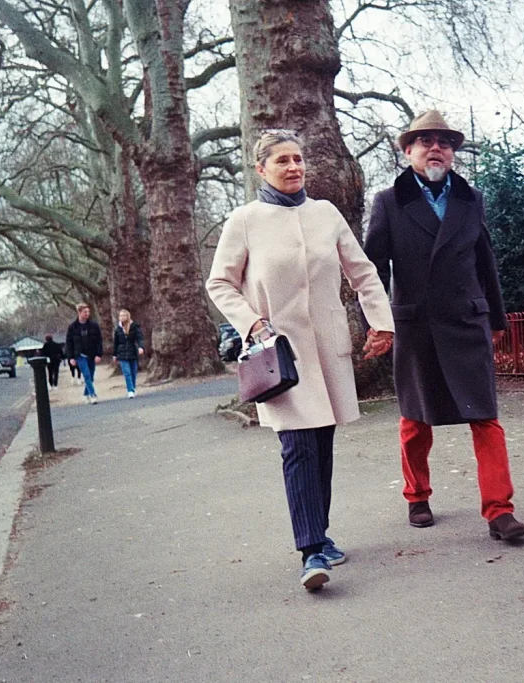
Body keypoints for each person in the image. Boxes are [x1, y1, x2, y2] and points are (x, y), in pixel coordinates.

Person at [206, 129, 395, 592]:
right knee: (297, 446)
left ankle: (322, 536)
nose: (294, 167)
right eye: (283, 160)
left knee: (322, 443)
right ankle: (311, 550)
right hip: (278, 353)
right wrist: (252, 323)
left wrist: (382, 323)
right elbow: (219, 284)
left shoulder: (325, 214)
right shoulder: (244, 220)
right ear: (261, 168)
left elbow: (363, 272)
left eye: (299, 159)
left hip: (328, 348)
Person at [364, 110, 524, 542]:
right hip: (416, 326)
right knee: (415, 420)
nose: (436, 147)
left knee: (486, 418)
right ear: (408, 151)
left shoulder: (470, 199)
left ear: (452, 152)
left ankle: (500, 511)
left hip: (466, 321)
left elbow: (484, 260)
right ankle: (417, 495)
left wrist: (495, 317)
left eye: (444, 142)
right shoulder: (388, 201)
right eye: (425, 141)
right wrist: (379, 323)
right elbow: (373, 270)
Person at [65, 303, 103, 404]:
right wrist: (71, 357)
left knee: (91, 376)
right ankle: (93, 395)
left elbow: (99, 340)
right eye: (85, 312)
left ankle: (85, 394)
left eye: (88, 312)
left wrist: (99, 354)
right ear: (79, 312)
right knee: (86, 374)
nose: (87, 314)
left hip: (91, 354)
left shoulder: (94, 325)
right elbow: (69, 343)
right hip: (79, 355)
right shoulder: (72, 327)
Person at [112, 309, 144, 399]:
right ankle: (130, 390)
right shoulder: (118, 329)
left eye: (123, 315)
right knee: (127, 372)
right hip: (121, 353)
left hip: (133, 352)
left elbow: (139, 338)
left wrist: (141, 347)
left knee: (133, 372)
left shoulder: (134, 326)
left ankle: (133, 388)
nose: (122, 317)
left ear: (127, 316)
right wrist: (114, 355)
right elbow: (115, 343)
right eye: (120, 316)